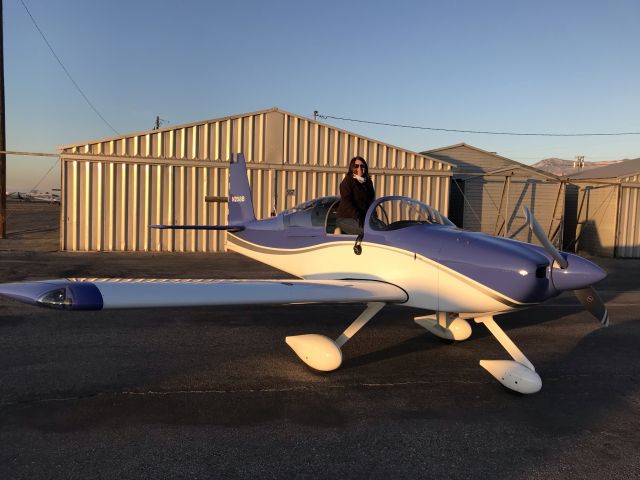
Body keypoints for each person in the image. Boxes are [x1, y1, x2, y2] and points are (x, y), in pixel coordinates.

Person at [336, 156, 375, 235]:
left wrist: (372, 216)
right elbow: (347, 202)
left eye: (362, 166)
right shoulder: (347, 181)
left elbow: (371, 201)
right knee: (366, 231)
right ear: (352, 168)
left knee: (382, 228)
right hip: (347, 217)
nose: (359, 168)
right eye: (356, 166)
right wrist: (358, 216)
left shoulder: (368, 182)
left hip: (364, 218)